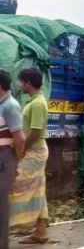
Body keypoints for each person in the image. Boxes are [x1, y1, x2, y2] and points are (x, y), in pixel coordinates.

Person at [10, 68, 49, 244]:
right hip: (34, 151)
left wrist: (23, 148)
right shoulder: (34, 101)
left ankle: (15, 224)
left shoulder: (38, 103)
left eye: (21, 82)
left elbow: (36, 130)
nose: (19, 85)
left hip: (34, 152)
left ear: (28, 83)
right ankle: (40, 232)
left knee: (15, 186)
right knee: (38, 190)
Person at [0, 69, 24, 249]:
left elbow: (19, 138)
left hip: (5, 157)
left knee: (2, 205)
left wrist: (15, 162)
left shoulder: (10, 106)